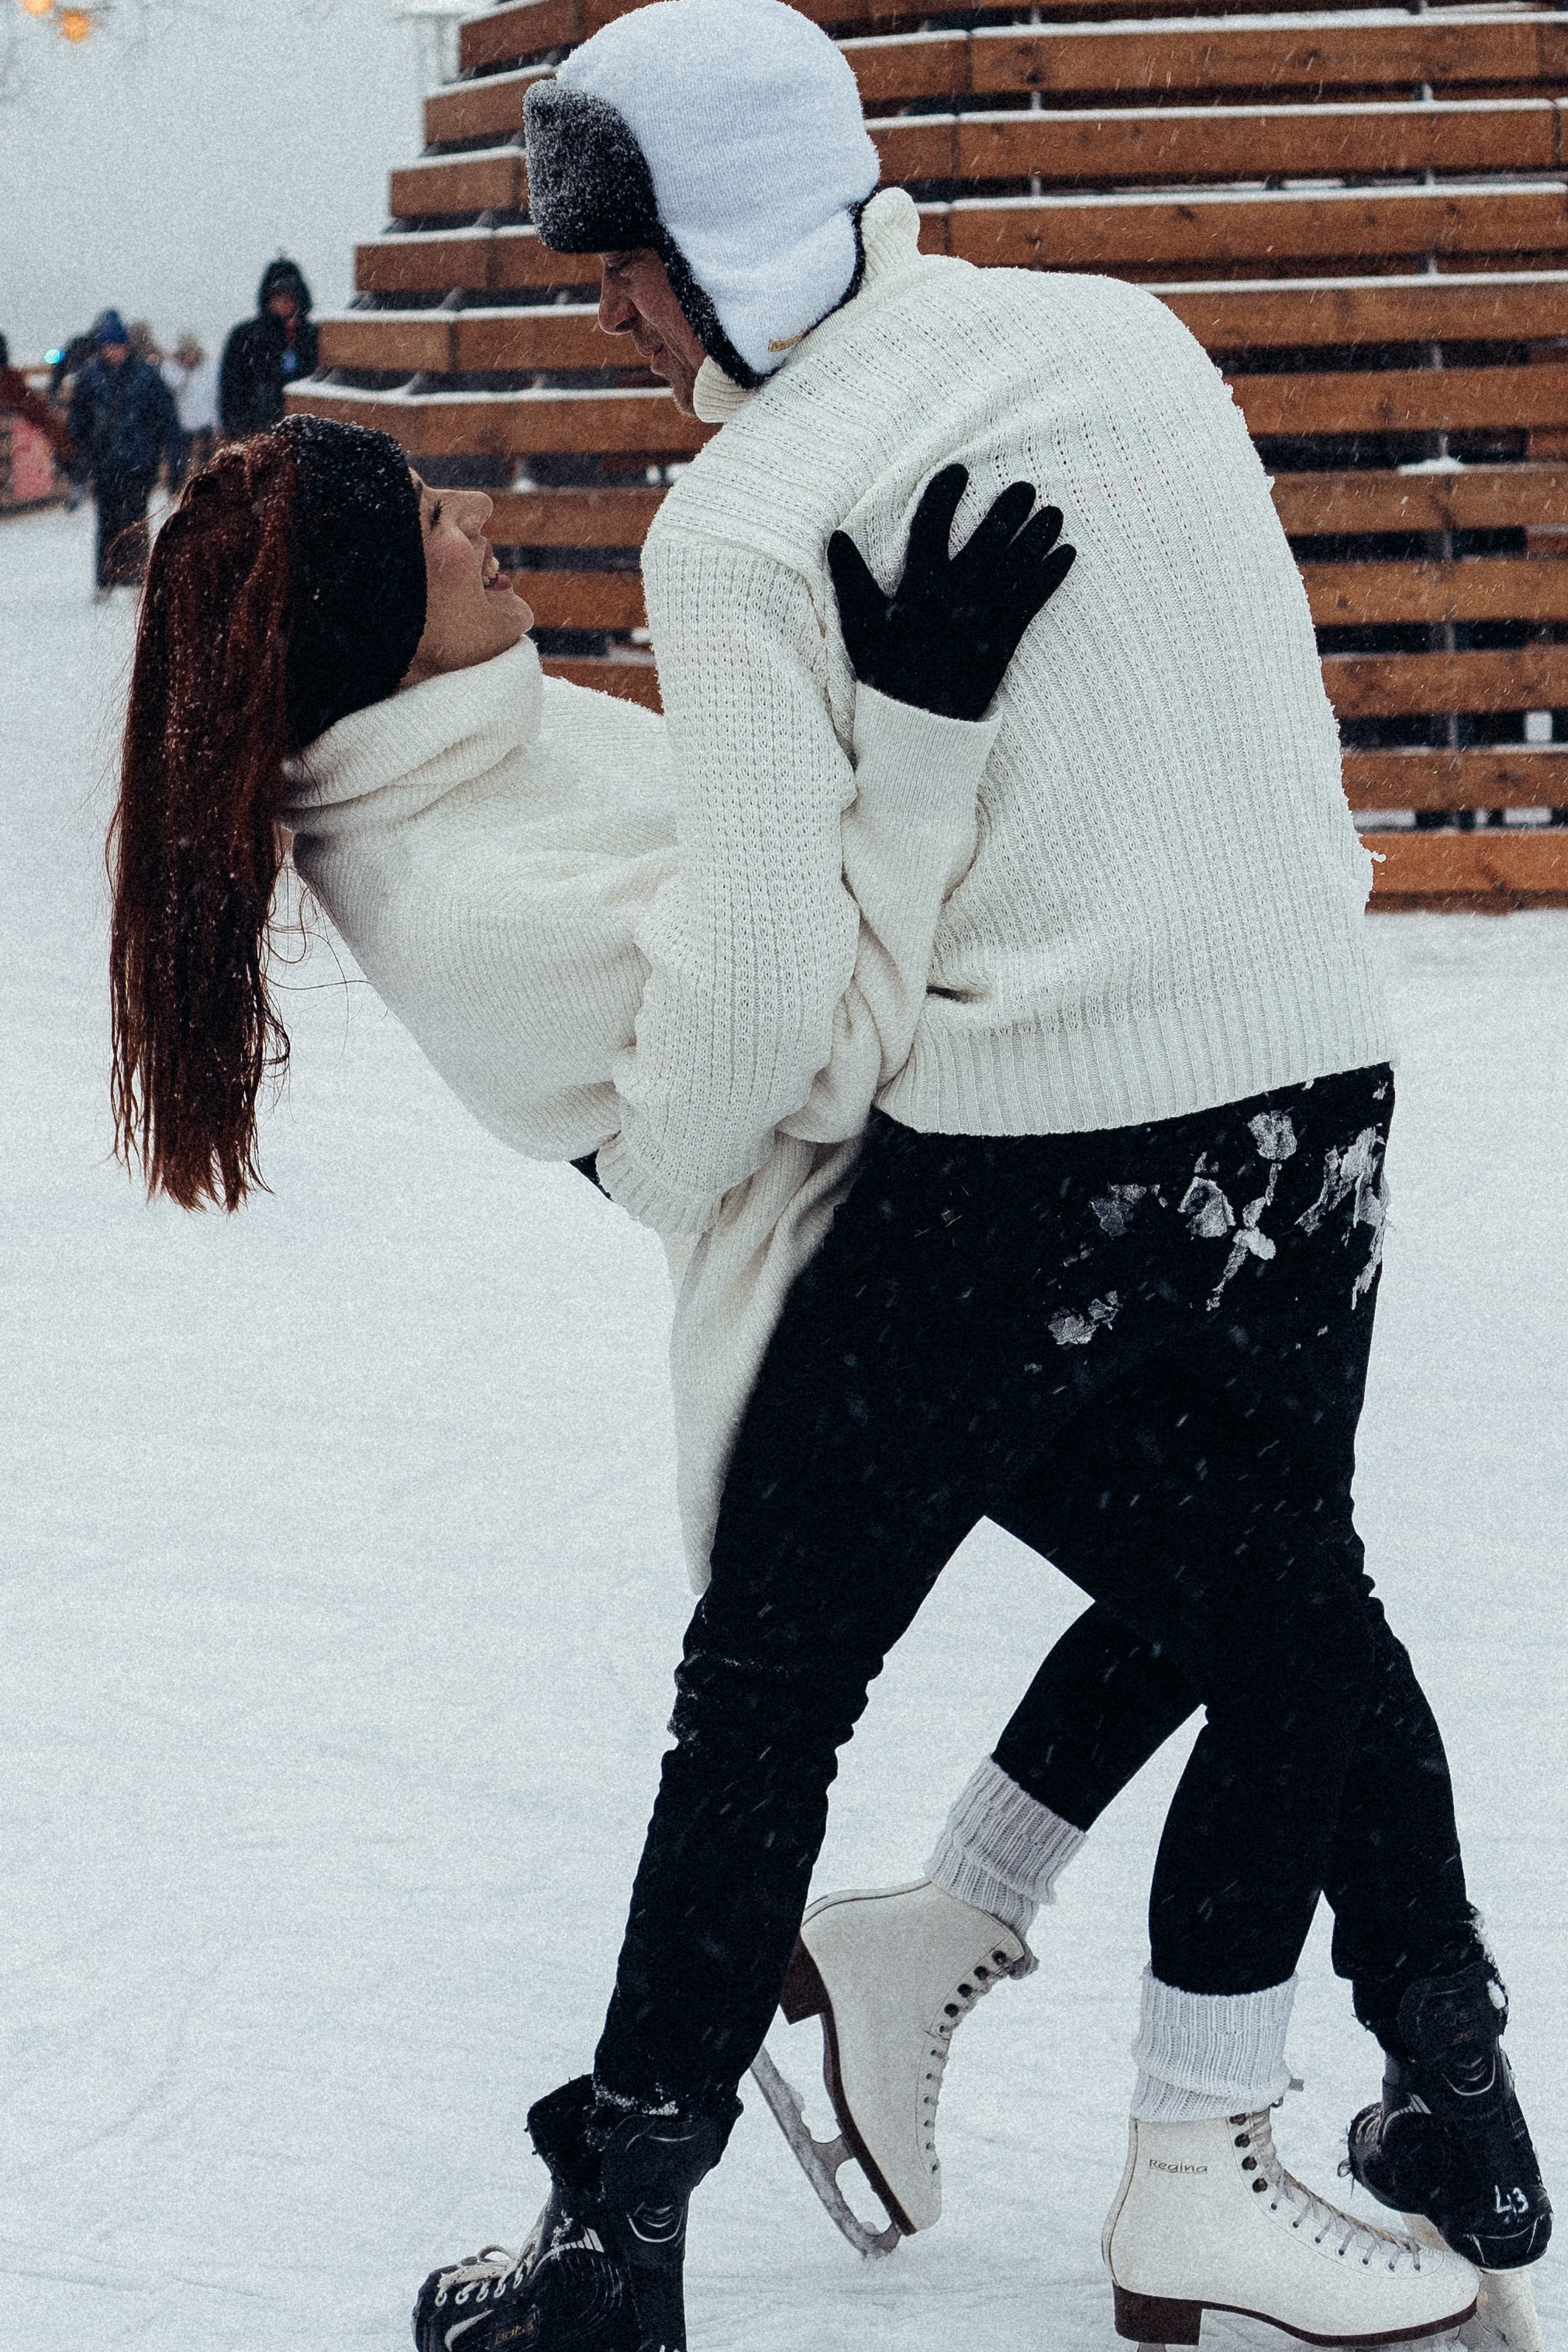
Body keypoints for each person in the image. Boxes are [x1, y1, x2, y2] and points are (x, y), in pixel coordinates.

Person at [397, 6, 1546, 2349]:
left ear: (724, 232)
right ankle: (1438, 2097)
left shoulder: (744, 517)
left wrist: (660, 1166)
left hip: (1034, 1162)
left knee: (769, 1678)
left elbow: (752, 992)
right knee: (1274, 1601)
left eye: (624, 263)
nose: (607, 314)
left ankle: (617, 2237)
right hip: (1312, 1101)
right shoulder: (1124, 341)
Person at [67, 309, 180, 598]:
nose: (112, 352)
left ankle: (136, 576)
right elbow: (79, 419)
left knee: (136, 518)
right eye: (107, 346)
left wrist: (171, 453)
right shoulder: (91, 376)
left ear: (126, 345)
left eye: (116, 345)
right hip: (106, 461)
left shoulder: (146, 375)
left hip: (139, 461)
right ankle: (106, 579)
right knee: (107, 520)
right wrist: (77, 455)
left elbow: (166, 416)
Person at [219, 258, 318, 439]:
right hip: (257, 435)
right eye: (279, 296)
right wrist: (239, 434)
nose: (285, 303)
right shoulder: (245, 337)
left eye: (291, 297)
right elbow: (230, 392)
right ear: (268, 298)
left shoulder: (312, 336)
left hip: (304, 437)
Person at [0, 331, 76, 471]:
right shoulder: (11, 383)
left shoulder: (10, 384)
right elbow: (42, 417)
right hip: (12, 465)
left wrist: (65, 447)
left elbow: (41, 416)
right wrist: (66, 448)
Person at [162, 333, 217, 485]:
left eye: (192, 352)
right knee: (178, 468)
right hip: (180, 426)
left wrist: (216, 423)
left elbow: (214, 397)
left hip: (205, 425)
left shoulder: (209, 369)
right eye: (186, 353)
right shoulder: (170, 370)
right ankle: (177, 490)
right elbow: (169, 395)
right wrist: (185, 373)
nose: (190, 357)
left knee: (206, 466)